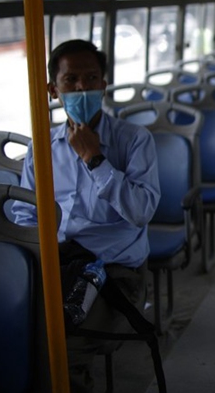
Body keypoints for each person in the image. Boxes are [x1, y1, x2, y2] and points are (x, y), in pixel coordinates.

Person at [12, 39, 161, 393]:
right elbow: (25, 213)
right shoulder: (42, 148)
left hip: (114, 271)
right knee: (9, 327)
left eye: (91, 78)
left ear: (103, 85)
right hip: (59, 265)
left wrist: (96, 160)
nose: (82, 88)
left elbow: (141, 211)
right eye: (71, 80)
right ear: (53, 89)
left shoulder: (134, 141)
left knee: (64, 342)